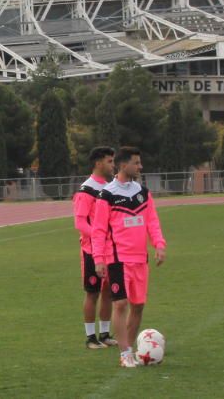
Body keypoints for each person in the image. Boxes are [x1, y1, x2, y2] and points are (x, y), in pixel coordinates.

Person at [91, 146, 166, 368]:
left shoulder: (143, 192)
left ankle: (131, 350)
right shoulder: (107, 194)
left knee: (138, 305)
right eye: (136, 163)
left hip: (140, 259)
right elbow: (98, 229)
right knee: (121, 304)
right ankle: (124, 353)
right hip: (117, 259)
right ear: (124, 165)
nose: (140, 167)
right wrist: (98, 258)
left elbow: (152, 220)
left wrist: (159, 245)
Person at [73, 146, 118, 350]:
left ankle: (105, 334)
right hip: (92, 250)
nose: (113, 165)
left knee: (108, 291)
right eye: (109, 161)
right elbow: (80, 223)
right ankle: (90, 338)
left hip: (110, 249)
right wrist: (99, 236)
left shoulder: (109, 188)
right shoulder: (86, 190)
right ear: (98, 163)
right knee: (93, 292)